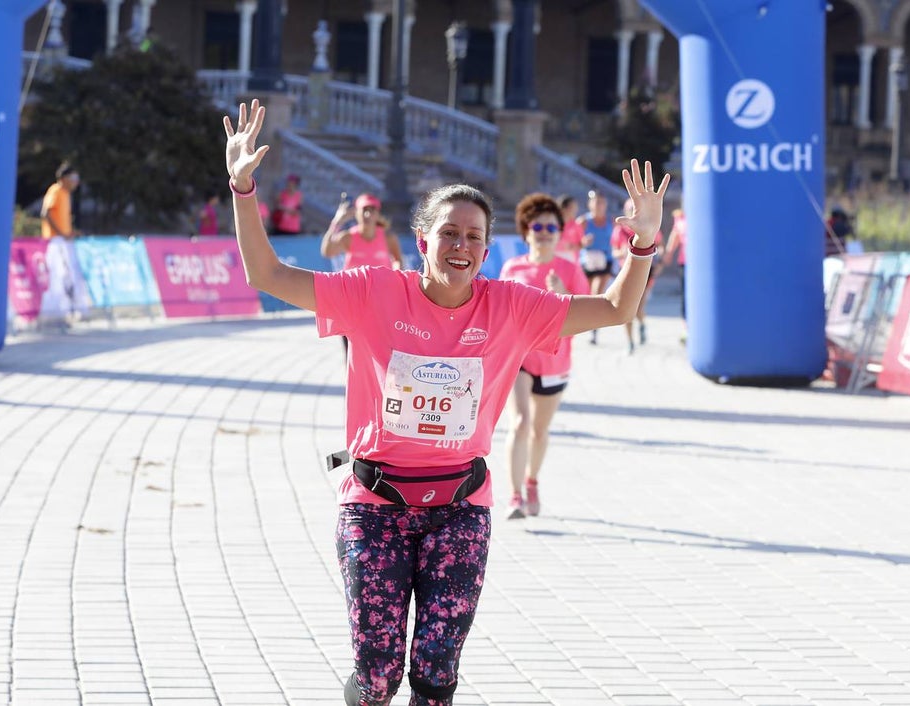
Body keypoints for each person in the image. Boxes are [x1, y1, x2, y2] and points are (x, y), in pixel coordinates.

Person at [223, 100, 668, 706]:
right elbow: (267, 274)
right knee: (378, 673)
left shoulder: (513, 305)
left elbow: (617, 310)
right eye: (449, 234)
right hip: (374, 503)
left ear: (487, 250)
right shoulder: (373, 291)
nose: (461, 246)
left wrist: (642, 243)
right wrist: (243, 188)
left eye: (474, 237)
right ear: (423, 239)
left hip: (460, 507)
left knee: (435, 673)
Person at [499, 193, 590, 520]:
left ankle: (532, 480)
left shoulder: (569, 269)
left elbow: (586, 315)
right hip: (520, 358)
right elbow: (501, 313)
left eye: (551, 226)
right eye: (537, 225)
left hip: (555, 361)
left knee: (539, 430)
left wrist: (562, 293)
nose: (544, 231)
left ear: (560, 232)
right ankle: (514, 496)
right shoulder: (513, 267)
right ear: (526, 231)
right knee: (520, 423)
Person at [612, 197, 663, 353]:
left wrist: (659, 260)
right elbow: (614, 252)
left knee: (638, 308)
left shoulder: (648, 225)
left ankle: (641, 324)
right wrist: (622, 252)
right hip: (625, 272)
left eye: (635, 210)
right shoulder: (619, 230)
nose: (632, 214)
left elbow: (660, 246)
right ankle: (630, 342)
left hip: (646, 272)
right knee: (625, 309)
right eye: (629, 210)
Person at [320, 192, 404, 270]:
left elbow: (398, 261)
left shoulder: (388, 238)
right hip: (354, 285)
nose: (367, 214)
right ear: (356, 213)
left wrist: (395, 276)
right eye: (364, 210)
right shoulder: (348, 237)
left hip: (381, 285)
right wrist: (337, 222)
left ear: (377, 214)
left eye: (372, 210)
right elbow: (327, 252)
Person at [579, 190, 616, 344]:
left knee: (596, 293)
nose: (598, 205)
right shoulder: (583, 222)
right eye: (595, 202)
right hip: (588, 261)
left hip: (605, 260)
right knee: (588, 295)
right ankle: (590, 327)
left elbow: (618, 238)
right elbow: (573, 240)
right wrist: (583, 242)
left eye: (601, 202)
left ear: (605, 204)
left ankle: (593, 331)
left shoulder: (611, 221)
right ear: (589, 204)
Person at [662, 208, 688, 341]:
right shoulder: (679, 217)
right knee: (686, 296)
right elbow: (675, 234)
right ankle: (686, 329)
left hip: (701, 265)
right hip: (685, 263)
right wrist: (669, 252)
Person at [41, 162, 80, 239]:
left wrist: (70, 232)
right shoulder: (56, 191)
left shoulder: (66, 193)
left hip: (63, 239)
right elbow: (46, 214)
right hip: (55, 240)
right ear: (65, 178)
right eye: (73, 178)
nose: (76, 182)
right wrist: (61, 234)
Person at [555, 195, 585, 263]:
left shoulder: (576, 226)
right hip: (554, 259)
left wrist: (571, 247)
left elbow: (581, 244)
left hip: (570, 261)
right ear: (563, 209)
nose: (575, 210)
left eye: (575, 208)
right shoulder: (553, 224)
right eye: (572, 207)